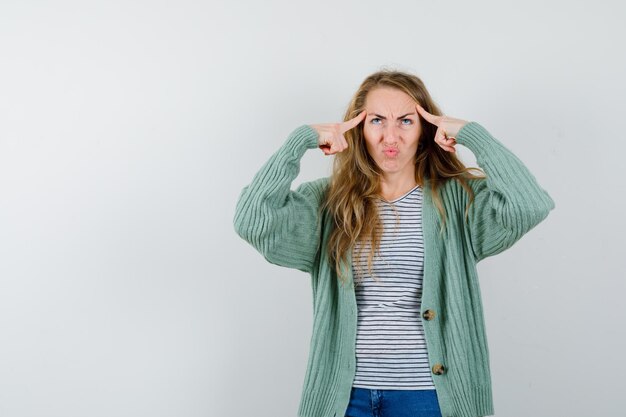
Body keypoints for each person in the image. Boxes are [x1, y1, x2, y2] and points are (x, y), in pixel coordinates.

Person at [233, 70, 555, 417]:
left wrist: (474, 136)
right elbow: (253, 220)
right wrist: (297, 142)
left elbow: (529, 205)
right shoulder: (328, 204)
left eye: (405, 120)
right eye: (376, 121)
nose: (391, 135)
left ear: (425, 130)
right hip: (346, 398)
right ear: (359, 130)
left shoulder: (457, 200)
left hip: (430, 398)